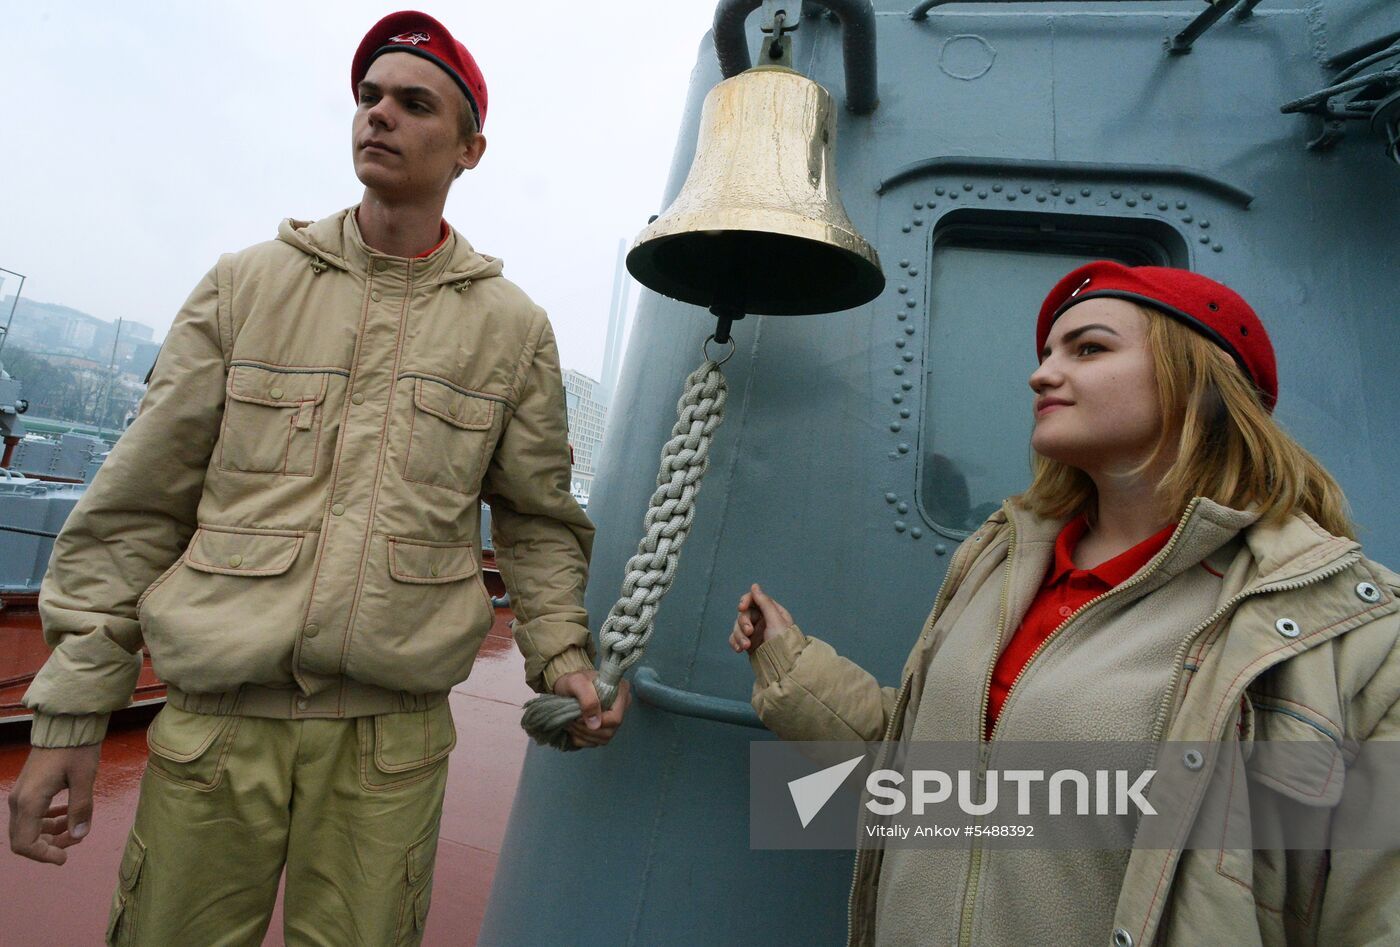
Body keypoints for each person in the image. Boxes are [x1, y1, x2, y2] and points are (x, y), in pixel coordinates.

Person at [7, 10, 628, 944]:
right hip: (219, 727)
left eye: (414, 103)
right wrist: (69, 715)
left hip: (389, 745)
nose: (380, 114)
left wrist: (564, 657)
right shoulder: (246, 287)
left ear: (470, 149)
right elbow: (137, 508)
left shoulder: (511, 330)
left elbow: (535, 521)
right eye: (369, 97)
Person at [729, 261, 1400, 946]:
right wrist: (792, 668)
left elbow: (1373, 909)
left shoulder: (1342, 628)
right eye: (1048, 352)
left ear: (1198, 381)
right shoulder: (998, 564)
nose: (1041, 374)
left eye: (1088, 348)